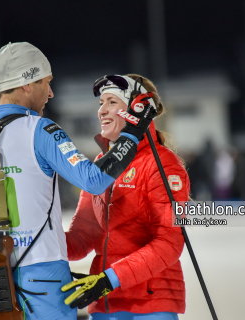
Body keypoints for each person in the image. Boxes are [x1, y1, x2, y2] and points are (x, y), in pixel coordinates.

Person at [0, 44, 155, 320]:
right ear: (27, 84)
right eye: (46, 82)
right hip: (45, 280)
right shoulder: (42, 130)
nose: (51, 92)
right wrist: (133, 132)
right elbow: (94, 181)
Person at [62, 74, 190, 320]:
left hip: (151, 302)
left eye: (111, 102)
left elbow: (169, 243)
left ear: (137, 110)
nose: (101, 111)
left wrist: (111, 278)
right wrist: (37, 237)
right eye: (101, 103)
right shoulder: (100, 166)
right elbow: (82, 237)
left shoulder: (162, 164)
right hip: (106, 301)